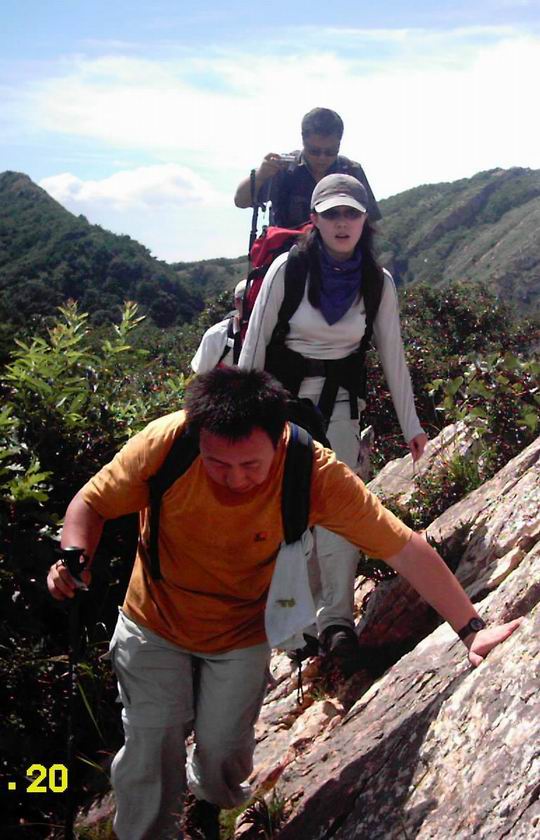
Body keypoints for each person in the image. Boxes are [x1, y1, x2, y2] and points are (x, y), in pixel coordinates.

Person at [47, 368, 522, 840]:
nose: (235, 478)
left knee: (224, 754)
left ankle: (207, 799)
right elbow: (92, 504)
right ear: (197, 437)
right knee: (150, 746)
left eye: (251, 465)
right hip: (153, 619)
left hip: (242, 630)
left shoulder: (311, 472)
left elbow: (403, 548)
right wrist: (74, 556)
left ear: (279, 439)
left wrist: (472, 630)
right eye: (218, 464)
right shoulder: (166, 445)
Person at [238, 173, 428, 669]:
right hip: (282, 407)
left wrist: (411, 425)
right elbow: (254, 345)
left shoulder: (376, 282)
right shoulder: (288, 270)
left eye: (351, 213)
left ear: (365, 220)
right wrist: (239, 418)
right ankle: (296, 628)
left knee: (339, 512)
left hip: (340, 408)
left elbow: (392, 354)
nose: (342, 223)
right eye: (332, 214)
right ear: (315, 219)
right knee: (289, 515)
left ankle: (337, 623)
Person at [234, 107, 381, 228]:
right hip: (289, 251)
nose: (322, 158)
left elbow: (370, 221)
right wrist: (260, 176)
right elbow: (241, 201)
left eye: (330, 152)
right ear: (303, 141)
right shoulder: (283, 169)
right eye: (314, 151)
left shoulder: (351, 171)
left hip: (338, 252)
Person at [191, 279, 246, 374]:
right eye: (250, 301)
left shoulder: (270, 333)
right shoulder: (216, 335)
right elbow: (201, 375)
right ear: (237, 302)